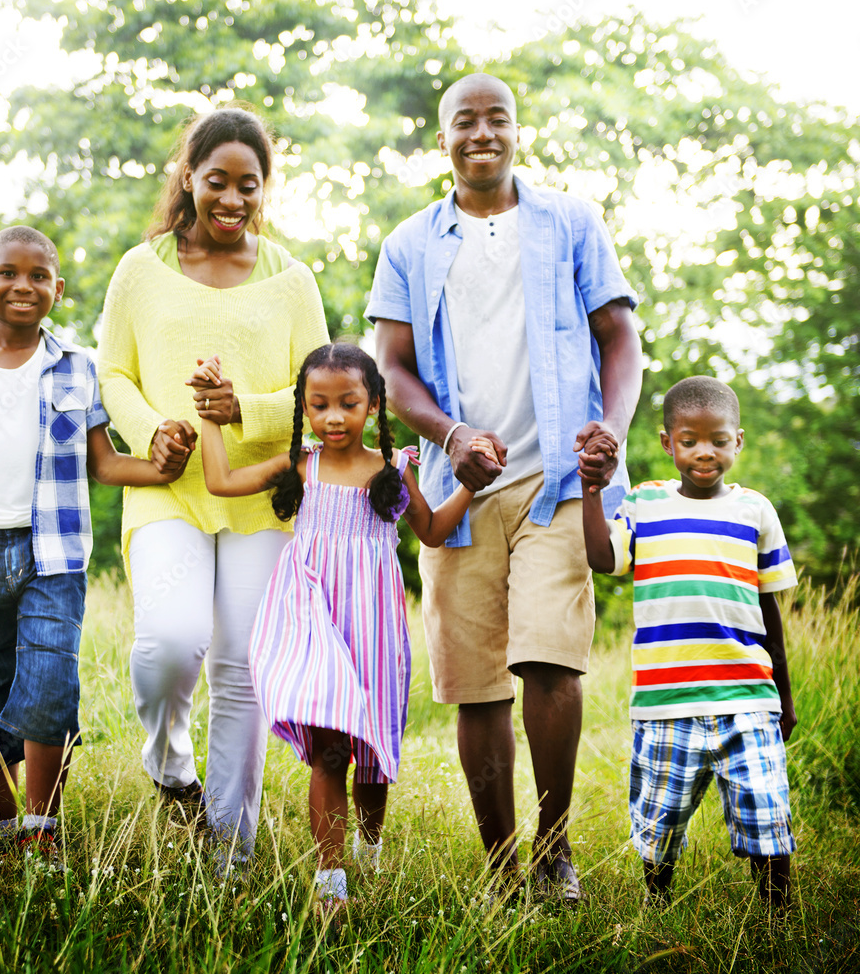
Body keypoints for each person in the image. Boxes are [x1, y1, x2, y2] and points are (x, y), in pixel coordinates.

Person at [367, 72, 642, 901]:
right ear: (442, 137)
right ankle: (502, 867)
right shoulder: (411, 244)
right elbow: (390, 368)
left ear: (518, 131)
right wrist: (451, 436)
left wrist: (613, 435)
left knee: (549, 663)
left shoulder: (571, 222)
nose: (481, 133)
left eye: (498, 119)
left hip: (560, 479)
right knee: (477, 683)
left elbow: (620, 338)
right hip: (461, 488)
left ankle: (556, 856)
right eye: (464, 122)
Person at [0, 225, 187, 867]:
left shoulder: (79, 367)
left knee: (51, 684)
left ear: (57, 289)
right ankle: (2, 835)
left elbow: (105, 465)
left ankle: (41, 829)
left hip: (51, 556)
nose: (21, 286)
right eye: (6, 274)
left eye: (36, 277)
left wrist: (166, 467)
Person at [97, 105, 330, 864]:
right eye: (217, 181)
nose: (232, 199)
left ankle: (231, 849)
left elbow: (323, 394)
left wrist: (249, 410)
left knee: (243, 671)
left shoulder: (292, 280)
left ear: (266, 190)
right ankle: (170, 770)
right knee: (170, 645)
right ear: (189, 178)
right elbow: (113, 374)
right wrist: (151, 432)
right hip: (168, 492)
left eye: (249, 185)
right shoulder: (142, 269)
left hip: (262, 499)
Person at [195, 343, 497, 909]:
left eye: (348, 403)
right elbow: (220, 481)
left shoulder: (393, 470)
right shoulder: (300, 464)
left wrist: (469, 488)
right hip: (314, 618)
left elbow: (431, 532)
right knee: (331, 745)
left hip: (376, 625)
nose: (334, 417)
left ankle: (369, 849)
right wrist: (212, 418)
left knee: (372, 757)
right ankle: (329, 881)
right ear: (303, 410)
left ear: (374, 405)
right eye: (319, 405)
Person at [581, 376, 798, 907]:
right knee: (660, 823)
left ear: (738, 442)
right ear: (666, 442)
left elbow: (769, 609)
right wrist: (591, 493)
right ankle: (657, 902)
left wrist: (784, 696)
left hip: (748, 697)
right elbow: (603, 559)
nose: (705, 452)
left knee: (767, 813)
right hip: (664, 703)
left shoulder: (756, 512)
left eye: (719, 441)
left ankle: (779, 913)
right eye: (690, 440)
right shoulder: (644, 504)